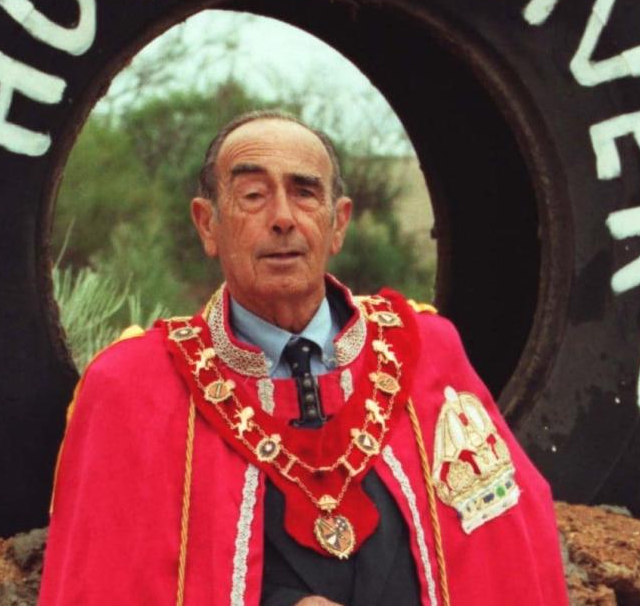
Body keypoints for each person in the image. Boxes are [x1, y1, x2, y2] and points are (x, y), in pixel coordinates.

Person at [38, 111, 567, 605]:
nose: (283, 219)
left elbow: (510, 551)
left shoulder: (428, 352)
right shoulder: (133, 386)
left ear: (338, 224)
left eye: (305, 193)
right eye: (251, 195)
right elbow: (99, 581)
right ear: (207, 225)